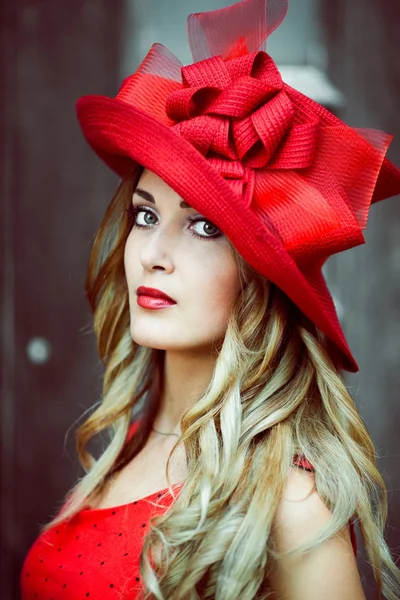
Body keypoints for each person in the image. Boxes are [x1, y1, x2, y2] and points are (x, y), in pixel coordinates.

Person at [20, 0, 400, 598]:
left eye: (204, 227)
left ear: (260, 274)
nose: (152, 254)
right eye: (146, 215)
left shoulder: (291, 506)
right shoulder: (128, 439)